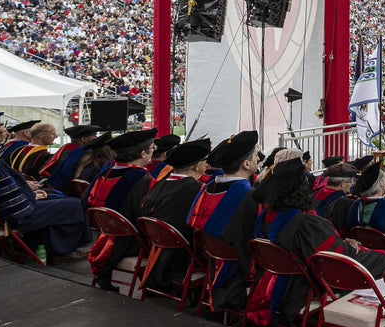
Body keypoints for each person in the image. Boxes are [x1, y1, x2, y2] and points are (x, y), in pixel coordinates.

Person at [246, 156, 385, 327]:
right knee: (382, 258)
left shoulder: (267, 216)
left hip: (279, 276)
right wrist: (353, 248)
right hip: (299, 288)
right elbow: (336, 259)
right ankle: (364, 322)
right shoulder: (308, 224)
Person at [0, 111, 90, 258]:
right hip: (3, 215)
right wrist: (31, 197)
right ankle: (62, 253)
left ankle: (41, 246)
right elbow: (11, 203)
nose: (1, 129)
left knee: (54, 196)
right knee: (72, 204)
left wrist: (27, 191)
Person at [187, 130, 261, 311]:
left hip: (206, 258)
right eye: (256, 155)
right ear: (246, 164)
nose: (259, 159)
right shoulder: (249, 196)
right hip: (237, 266)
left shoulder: (206, 189)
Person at [85, 129, 156, 289]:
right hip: (130, 240)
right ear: (143, 153)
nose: (154, 152)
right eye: (153, 148)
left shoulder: (105, 172)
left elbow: (87, 201)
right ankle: (156, 286)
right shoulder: (142, 179)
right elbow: (147, 215)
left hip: (105, 233)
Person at [137, 139, 211, 291]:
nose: (207, 164)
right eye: (205, 160)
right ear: (197, 166)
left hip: (157, 251)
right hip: (184, 258)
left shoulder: (159, 184)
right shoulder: (200, 190)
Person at [38, 124, 101, 191]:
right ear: (84, 139)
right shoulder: (87, 155)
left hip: (53, 188)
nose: (96, 138)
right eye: (94, 136)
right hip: (69, 192)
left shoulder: (64, 150)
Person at [313, 160, 357, 231]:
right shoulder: (343, 202)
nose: (350, 185)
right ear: (343, 183)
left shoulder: (314, 194)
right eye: (350, 182)